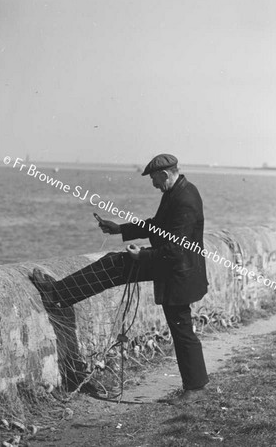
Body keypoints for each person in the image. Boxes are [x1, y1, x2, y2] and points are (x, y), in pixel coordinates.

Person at [30, 153, 209, 404]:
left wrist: (141, 257)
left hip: (178, 271)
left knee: (181, 328)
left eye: (155, 179)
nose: (153, 184)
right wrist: (120, 229)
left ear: (165, 174)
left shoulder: (184, 198)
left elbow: (176, 249)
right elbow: (156, 226)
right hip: (173, 266)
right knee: (113, 264)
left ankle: (195, 389)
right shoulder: (176, 192)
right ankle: (59, 293)